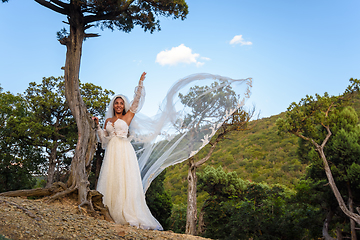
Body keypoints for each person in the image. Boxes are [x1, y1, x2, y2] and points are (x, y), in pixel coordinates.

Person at [92, 72, 163, 230]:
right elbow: (103, 139)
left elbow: (137, 102)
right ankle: (110, 210)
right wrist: (97, 125)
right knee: (113, 179)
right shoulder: (108, 121)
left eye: (121, 103)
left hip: (124, 150)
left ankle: (128, 212)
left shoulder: (128, 117)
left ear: (124, 106)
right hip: (111, 152)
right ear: (113, 105)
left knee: (126, 179)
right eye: (116, 103)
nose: (118, 105)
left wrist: (140, 84)